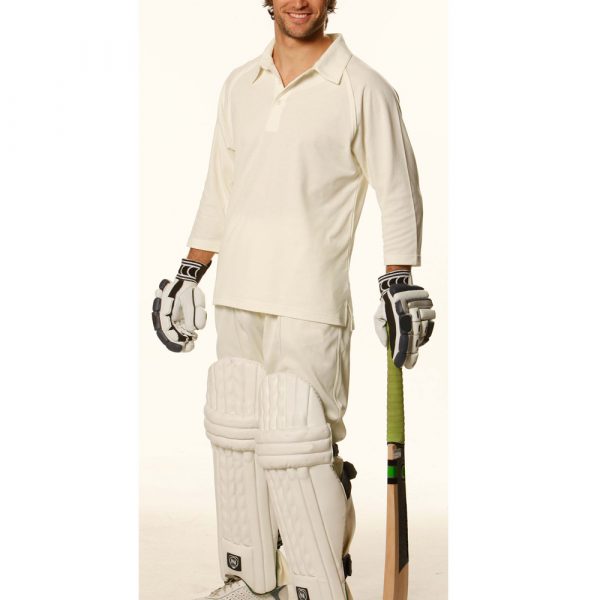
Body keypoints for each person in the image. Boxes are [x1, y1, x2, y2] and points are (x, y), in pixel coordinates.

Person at [151, 1, 436, 598]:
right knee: (235, 436)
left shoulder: (362, 86)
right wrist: (189, 272)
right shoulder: (241, 84)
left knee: (297, 447)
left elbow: (398, 190)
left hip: (312, 301)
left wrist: (399, 279)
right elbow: (220, 188)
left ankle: (319, 588)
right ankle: (250, 582)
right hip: (238, 293)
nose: (299, 2)